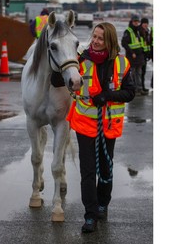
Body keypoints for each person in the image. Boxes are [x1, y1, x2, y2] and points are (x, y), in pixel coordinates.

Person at [67, 22, 135, 233]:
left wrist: (107, 96)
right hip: (84, 124)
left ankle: (103, 203)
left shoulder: (122, 64)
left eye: (100, 38)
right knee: (88, 171)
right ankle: (90, 215)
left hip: (108, 125)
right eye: (93, 36)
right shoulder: (80, 59)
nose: (95, 41)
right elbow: (60, 78)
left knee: (105, 169)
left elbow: (130, 92)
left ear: (110, 41)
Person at [121, 15, 148, 95]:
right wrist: (132, 52)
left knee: (139, 73)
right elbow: (124, 43)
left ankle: (139, 89)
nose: (136, 23)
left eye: (137, 22)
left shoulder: (139, 31)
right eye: (135, 21)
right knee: (132, 74)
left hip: (139, 56)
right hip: (132, 56)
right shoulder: (128, 31)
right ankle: (134, 90)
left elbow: (142, 42)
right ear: (132, 22)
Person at [139, 17, 152, 92]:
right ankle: (140, 87)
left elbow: (148, 43)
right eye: (144, 23)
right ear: (142, 24)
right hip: (141, 54)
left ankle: (143, 86)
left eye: (146, 23)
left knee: (143, 72)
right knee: (140, 72)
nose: (145, 25)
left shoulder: (147, 31)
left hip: (145, 55)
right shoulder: (140, 31)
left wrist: (149, 54)